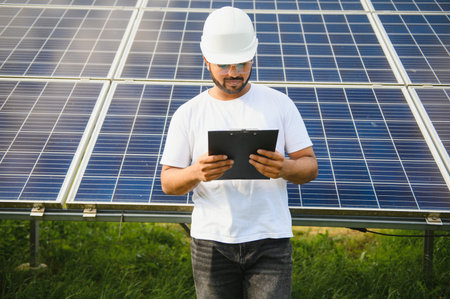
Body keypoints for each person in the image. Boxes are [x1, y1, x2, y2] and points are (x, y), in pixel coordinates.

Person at [160, 6, 318, 299]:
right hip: (211, 242)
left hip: (270, 239)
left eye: (242, 64)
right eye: (223, 66)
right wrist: (197, 172)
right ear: (207, 60)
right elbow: (168, 183)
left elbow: (309, 167)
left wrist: (283, 168)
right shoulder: (188, 114)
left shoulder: (280, 104)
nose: (233, 74)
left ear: (252, 57)